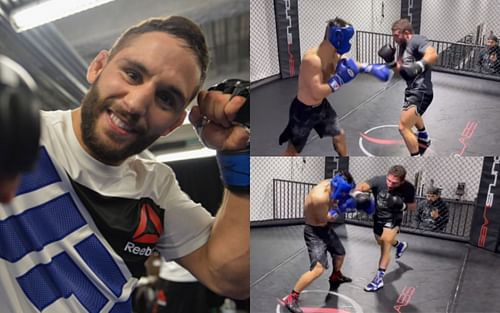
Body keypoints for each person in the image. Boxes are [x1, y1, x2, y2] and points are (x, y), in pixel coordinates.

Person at [0, 16, 249, 313]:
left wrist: (239, 157)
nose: (134, 104)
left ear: (173, 124)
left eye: (166, 98)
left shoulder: (156, 187)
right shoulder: (23, 137)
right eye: (132, 74)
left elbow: (231, 278)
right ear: (98, 67)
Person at [278, 17, 392, 156]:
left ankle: (345, 167)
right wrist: (339, 79)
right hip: (303, 112)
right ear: (338, 37)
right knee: (292, 152)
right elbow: (317, 93)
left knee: (339, 135)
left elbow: (348, 64)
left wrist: (370, 68)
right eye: (347, 39)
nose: (348, 43)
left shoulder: (333, 54)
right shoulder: (312, 60)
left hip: (322, 108)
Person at [283, 171, 355, 313]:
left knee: (340, 253)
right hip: (314, 232)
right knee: (318, 269)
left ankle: (336, 276)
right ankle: (292, 297)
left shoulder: (332, 183)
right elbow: (327, 218)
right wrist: (341, 208)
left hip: (325, 228)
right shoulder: (319, 198)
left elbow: (336, 198)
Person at [378, 19, 439, 156]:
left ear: (406, 33)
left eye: (396, 35)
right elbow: (402, 73)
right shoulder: (402, 47)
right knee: (414, 114)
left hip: (421, 90)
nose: (394, 39)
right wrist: (391, 62)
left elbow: (433, 54)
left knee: (403, 127)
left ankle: (415, 158)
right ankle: (424, 137)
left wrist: (418, 66)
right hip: (411, 89)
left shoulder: (417, 40)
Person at [354, 165, 416, 292]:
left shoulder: (408, 188)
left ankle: (378, 279)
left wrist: (402, 205)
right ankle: (399, 245)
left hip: (393, 219)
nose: (390, 184)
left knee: (385, 245)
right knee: (380, 240)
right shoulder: (378, 180)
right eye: (389, 180)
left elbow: (412, 206)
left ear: (402, 181)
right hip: (378, 218)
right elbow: (361, 187)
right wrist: (358, 194)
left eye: (395, 183)